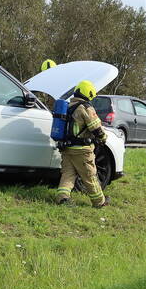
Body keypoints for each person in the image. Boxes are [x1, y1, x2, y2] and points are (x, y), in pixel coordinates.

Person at [55, 79, 108, 207]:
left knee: (68, 175)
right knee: (90, 176)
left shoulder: (67, 107)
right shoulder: (85, 108)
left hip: (67, 149)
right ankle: (100, 202)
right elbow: (96, 128)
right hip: (82, 150)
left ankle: (62, 198)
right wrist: (103, 138)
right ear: (88, 93)